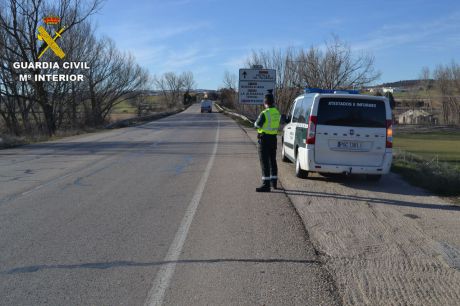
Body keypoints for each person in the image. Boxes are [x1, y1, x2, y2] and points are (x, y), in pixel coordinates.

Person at [254, 92, 281, 192]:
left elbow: (257, 125)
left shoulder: (264, 113)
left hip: (264, 139)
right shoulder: (277, 112)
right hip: (273, 139)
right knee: (273, 160)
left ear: (265, 103)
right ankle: (274, 182)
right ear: (273, 102)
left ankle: (266, 185)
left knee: (264, 162)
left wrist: (256, 124)